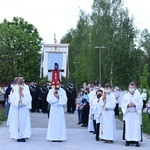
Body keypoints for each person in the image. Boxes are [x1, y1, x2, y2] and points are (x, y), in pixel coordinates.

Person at [9, 75, 32, 142]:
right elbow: (11, 97)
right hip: (16, 108)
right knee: (16, 122)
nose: (20, 80)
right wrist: (17, 102)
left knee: (24, 122)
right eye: (19, 79)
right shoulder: (14, 88)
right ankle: (17, 136)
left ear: (24, 80)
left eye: (22, 79)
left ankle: (24, 136)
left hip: (24, 108)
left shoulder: (26, 88)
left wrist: (22, 97)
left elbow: (29, 98)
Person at [121, 82, 143, 147]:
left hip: (135, 113)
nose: (132, 89)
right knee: (128, 128)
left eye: (133, 88)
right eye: (131, 87)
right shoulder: (125, 96)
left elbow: (140, 104)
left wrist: (135, 105)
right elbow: (122, 104)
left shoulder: (138, 96)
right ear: (128, 88)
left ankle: (137, 141)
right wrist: (127, 105)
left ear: (135, 88)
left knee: (136, 128)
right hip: (129, 113)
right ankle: (128, 140)